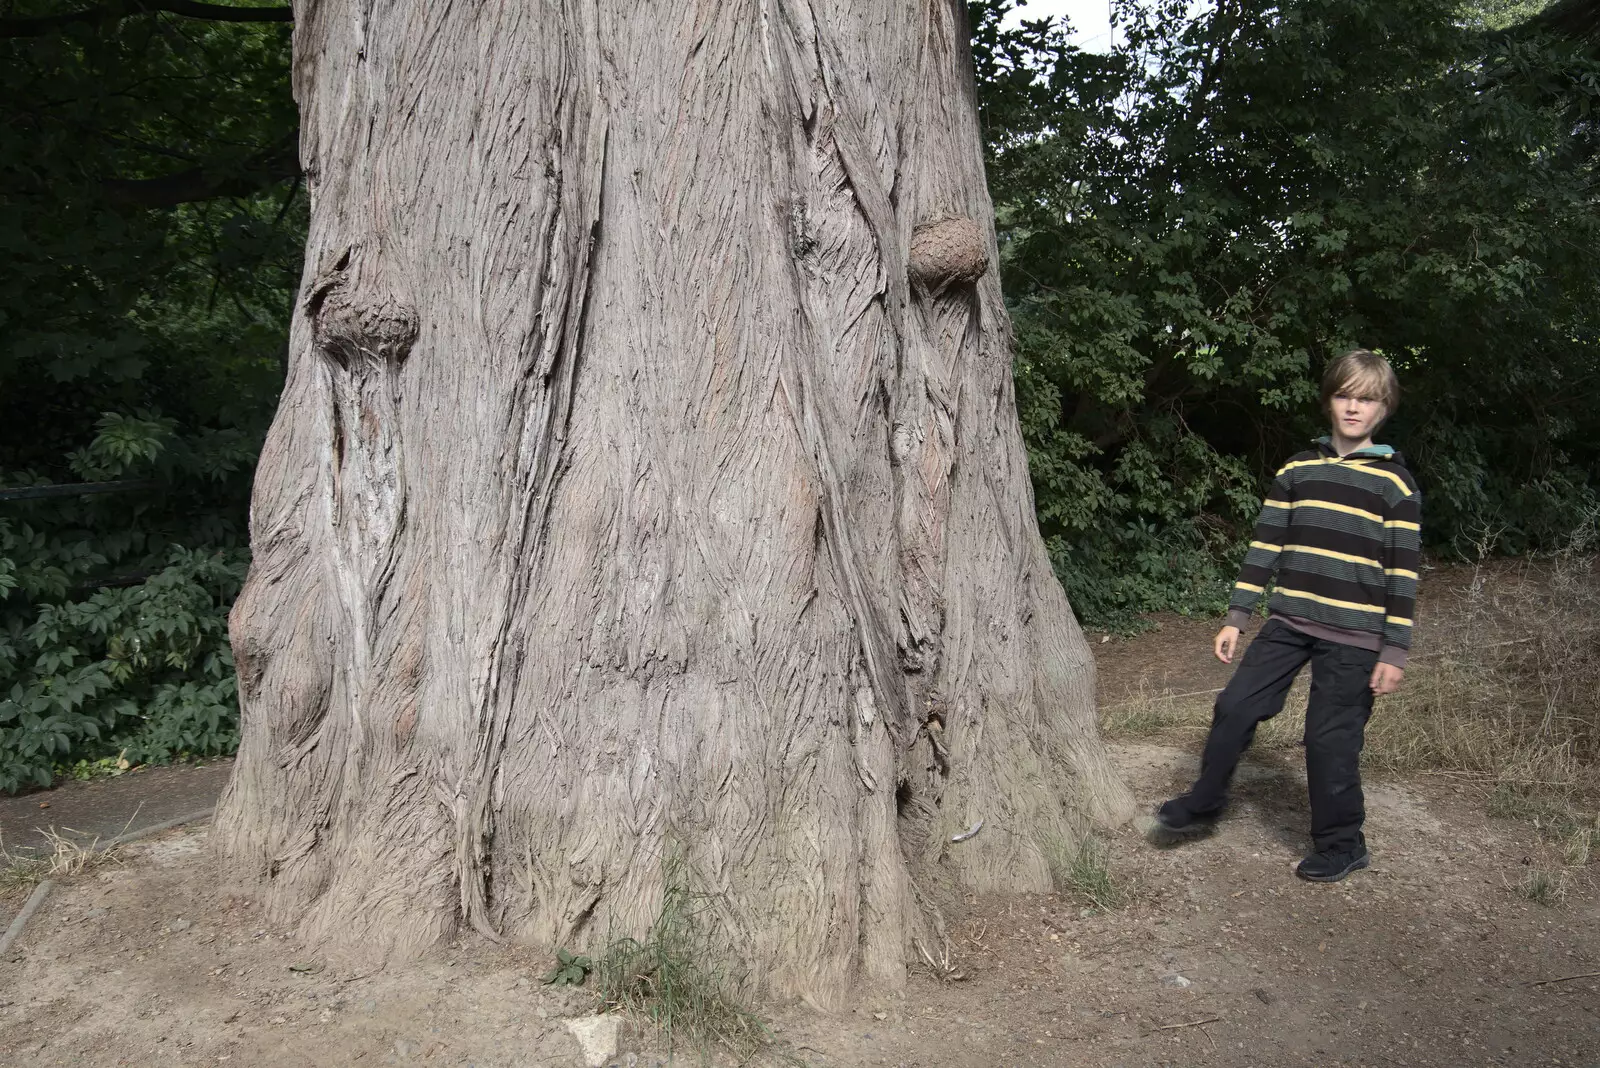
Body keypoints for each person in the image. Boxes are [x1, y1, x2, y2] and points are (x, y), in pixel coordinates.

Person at [1154, 349, 1420, 882]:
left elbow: (1404, 574)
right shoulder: (1298, 470)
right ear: (1329, 401)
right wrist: (1237, 615)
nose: (1353, 408)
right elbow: (1264, 547)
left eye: (1366, 399)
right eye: (1345, 395)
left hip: (1356, 636)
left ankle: (1344, 844)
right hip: (1289, 623)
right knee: (1234, 706)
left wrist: (1394, 649)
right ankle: (1205, 803)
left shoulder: (1395, 485)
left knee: (1329, 740)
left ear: (1383, 408)